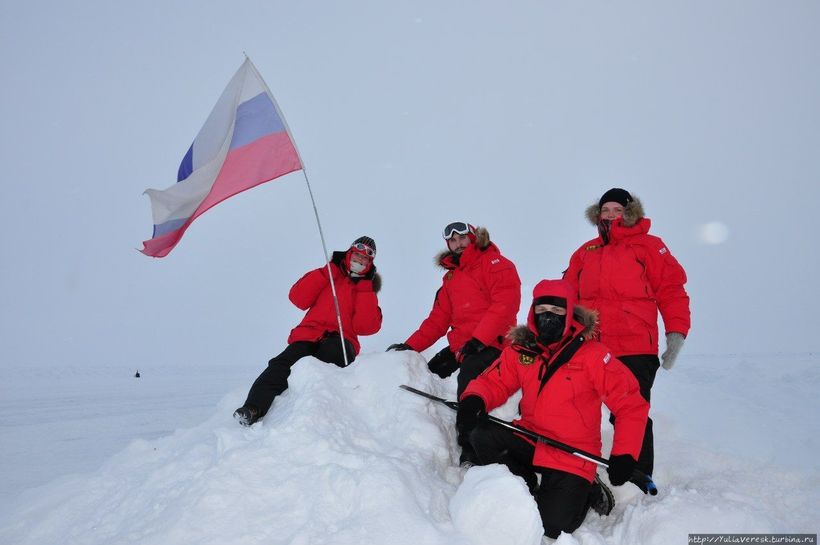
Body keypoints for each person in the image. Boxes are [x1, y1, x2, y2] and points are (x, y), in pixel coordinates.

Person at [457, 279, 649, 539]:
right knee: (482, 434)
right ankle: (522, 485)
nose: (549, 316)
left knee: (551, 526)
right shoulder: (522, 350)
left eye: (557, 311)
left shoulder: (593, 355)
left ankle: (588, 489)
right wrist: (474, 399)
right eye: (543, 309)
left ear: (570, 314)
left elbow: (630, 404)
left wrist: (625, 454)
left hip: (573, 453)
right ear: (533, 311)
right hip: (532, 436)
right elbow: (493, 382)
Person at [562, 188, 691, 489]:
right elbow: (567, 296)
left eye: (616, 209)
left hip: (635, 346)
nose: (610, 215)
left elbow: (672, 290)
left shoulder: (650, 246)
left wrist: (676, 333)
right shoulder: (585, 252)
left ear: (629, 212)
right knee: (578, 405)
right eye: (605, 209)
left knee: (630, 410)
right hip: (593, 345)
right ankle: (577, 466)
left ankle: (638, 475)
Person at [387, 221, 521, 465]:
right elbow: (438, 320)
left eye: (462, 238)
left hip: (494, 344)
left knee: (468, 379)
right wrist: (410, 347)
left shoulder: (496, 264)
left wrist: (480, 339)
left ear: (473, 238)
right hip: (463, 346)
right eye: (452, 241)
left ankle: (470, 448)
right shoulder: (451, 278)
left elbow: (505, 304)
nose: (458, 244)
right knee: (427, 373)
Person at [233, 236, 383, 426]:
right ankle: (253, 408)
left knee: (325, 364)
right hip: (309, 335)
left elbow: (367, 327)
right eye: (357, 255)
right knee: (281, 365)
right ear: (348, 253)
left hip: (342, 341)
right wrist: (327, 272)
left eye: (365, 259)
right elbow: (297, 298)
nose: (360, 260)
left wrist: (365, 289)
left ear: (370, 263)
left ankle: (309, 415)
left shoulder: (366, 290)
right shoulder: (328, 274)